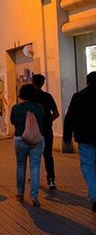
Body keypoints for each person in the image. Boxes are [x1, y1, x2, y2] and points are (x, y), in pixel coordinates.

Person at [63, 71, 96, 213]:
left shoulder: (79, 96)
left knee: (88, 168)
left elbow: (70, 117)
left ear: (87, 81)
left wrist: (67, 137)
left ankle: (95, 197)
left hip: (85, 138)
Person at [11, 83, 45, 207]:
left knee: (20, 165)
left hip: (20, 138)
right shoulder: (40, 107)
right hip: (37, 139)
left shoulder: (16, 108)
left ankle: (20, 193)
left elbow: (13, 121)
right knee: (35, 167)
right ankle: (34, 196)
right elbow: (43, 121)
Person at [31, 73, 60, 190]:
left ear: (33, 83)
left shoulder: (30, 97)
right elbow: (56, 113)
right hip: (47, 129)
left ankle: (34, 176)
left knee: (33, 154)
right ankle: (51, 179)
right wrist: (48, 121)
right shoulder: (48, 96)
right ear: (43, 83)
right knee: (48, 154)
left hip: (33, 130)